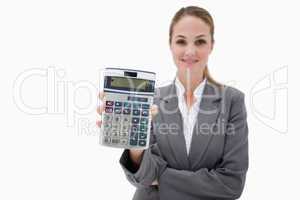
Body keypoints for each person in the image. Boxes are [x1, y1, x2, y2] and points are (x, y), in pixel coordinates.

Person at [97, 6, 248, 200]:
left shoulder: (232, 101)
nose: (190, 50)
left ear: (211, 45)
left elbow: (232, 184)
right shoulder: (150, 102)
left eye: (200, 41)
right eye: (181, 41)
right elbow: (142, 179)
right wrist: (136, 147)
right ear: (170, 45)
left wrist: (161, 177)